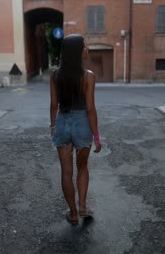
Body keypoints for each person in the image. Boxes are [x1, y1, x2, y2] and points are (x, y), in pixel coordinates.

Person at [50, 34, 102, 225]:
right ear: (78, 52)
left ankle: (72, 213)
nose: (87, 49)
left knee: (65, 171)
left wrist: (53, 125)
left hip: (62, 122)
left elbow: (53, 105)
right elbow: (90, 108)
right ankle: (82, 207)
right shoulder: (88, 76)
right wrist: (96, 136)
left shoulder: (55, 75)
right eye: (85, 46)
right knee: (82, 168)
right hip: (82, 125)